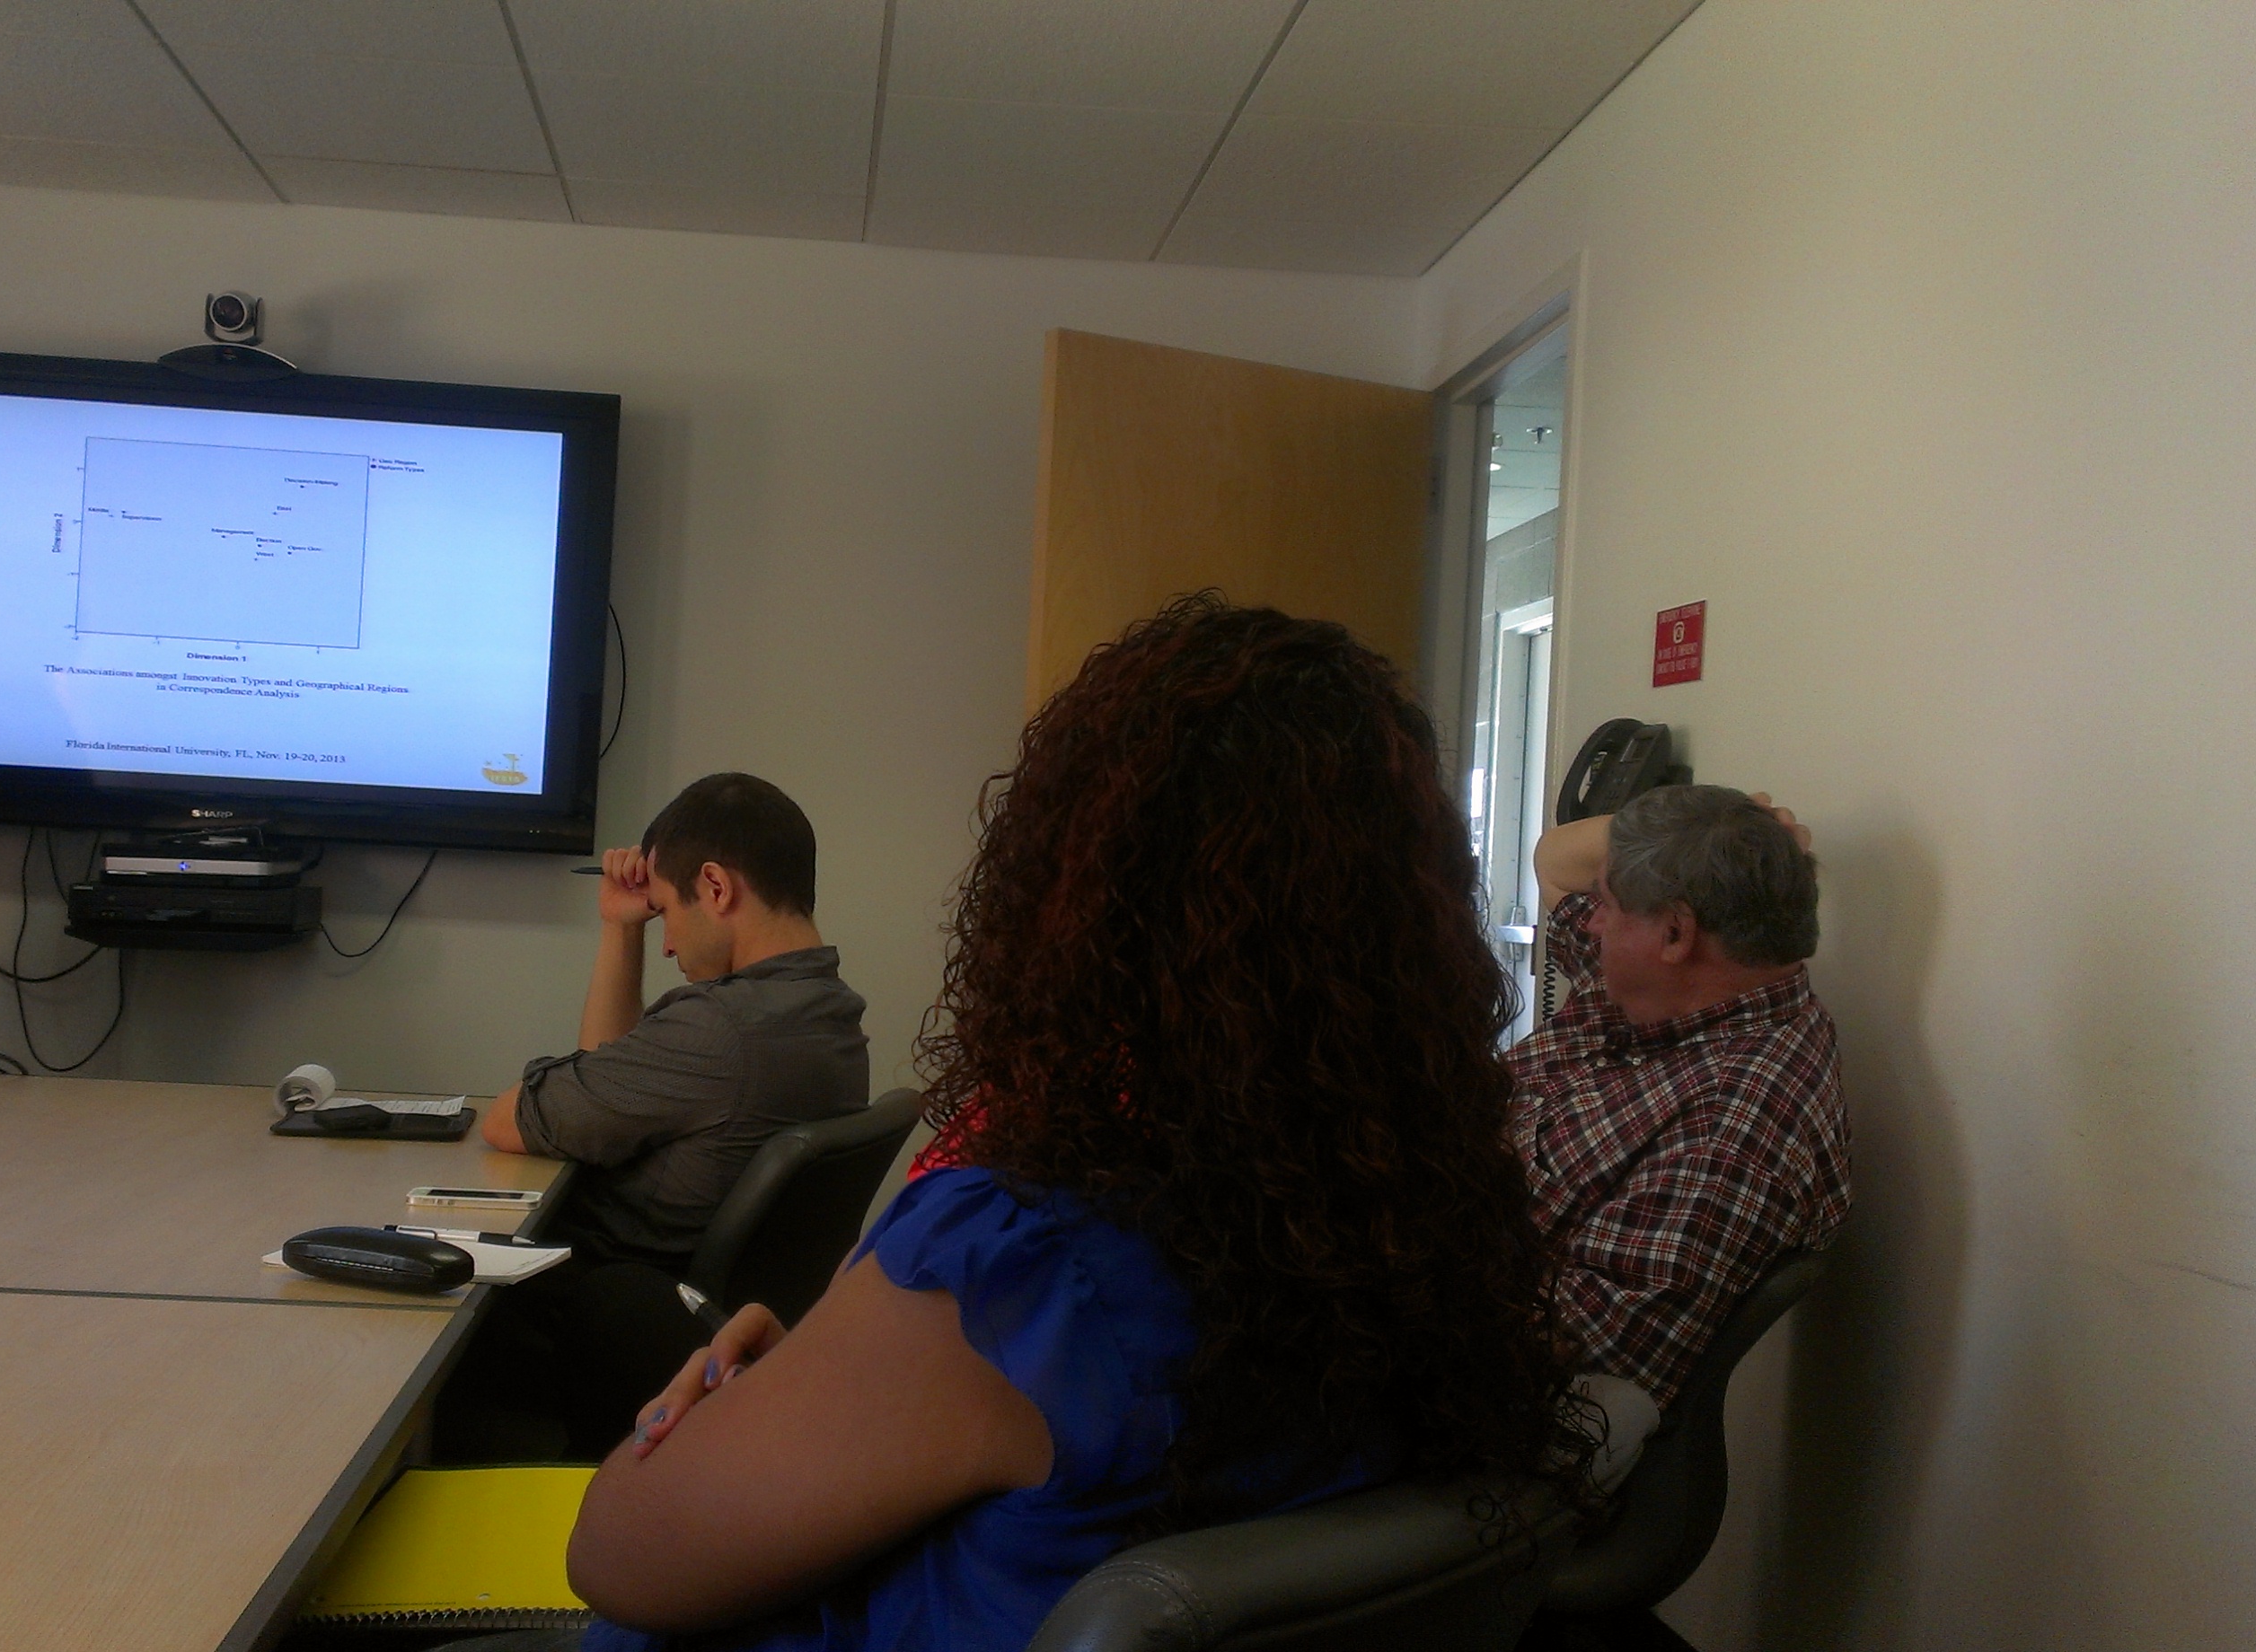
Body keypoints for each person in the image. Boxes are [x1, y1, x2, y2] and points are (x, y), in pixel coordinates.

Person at [524, 596, 1591, 1652]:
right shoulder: (1416, 1221)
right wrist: (841, 1376)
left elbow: (616, 1556)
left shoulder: (1027, 1263)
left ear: (1076, 900)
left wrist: (740, 1411)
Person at [443, 772, 870, 1459]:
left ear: (716, 887)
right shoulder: (829, 1016)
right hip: (669, 1326)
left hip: (579, 1317)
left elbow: (510, 1121)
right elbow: (610, 1086)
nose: (666, 942)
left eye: (665, 910)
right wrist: (622, 928)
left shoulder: (723, 1029)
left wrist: (557, 1089)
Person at [1511, 785, 1851, 1408]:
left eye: (1606, 904)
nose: (1590, 921)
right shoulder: (1668, 987)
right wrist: (1723, 827)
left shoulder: (1735, 1123)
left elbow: (1573, 1348)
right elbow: (1555, 858)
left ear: (1674, 932)